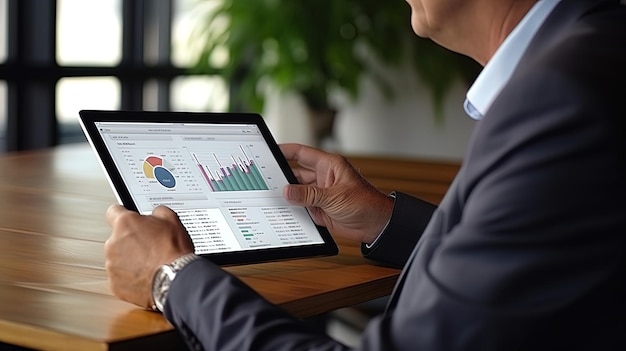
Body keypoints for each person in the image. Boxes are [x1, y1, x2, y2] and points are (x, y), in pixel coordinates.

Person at [104, 0, 626, 349]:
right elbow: (525, 261)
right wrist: (383, 219)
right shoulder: (594, 48)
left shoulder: (558, 97)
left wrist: (171, 277)